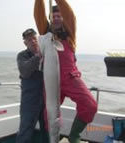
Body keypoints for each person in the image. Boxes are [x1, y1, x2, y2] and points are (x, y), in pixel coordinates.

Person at [34, 0, 98, 142]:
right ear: (50, 19)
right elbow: (39, 15)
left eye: (59, 16)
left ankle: (74, 135)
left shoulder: (70, 35)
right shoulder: (45, 33)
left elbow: (70, 16)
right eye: (53, 16)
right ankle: (52, 139)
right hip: (51, 82)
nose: (56, 18)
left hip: (70, 78)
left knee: (90, 105)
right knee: (48, 116)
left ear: (63, 19)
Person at [16, 28, 49, 143]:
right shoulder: (22, 56)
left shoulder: (47, 54)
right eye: (29, 40)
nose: (33, 41)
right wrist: (38, 56)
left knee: (48, 131)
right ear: (25, 43)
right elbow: (24, 71)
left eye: (34, 38)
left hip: (46, 100)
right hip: (29, 102)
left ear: (38, 38)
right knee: (25, 132)